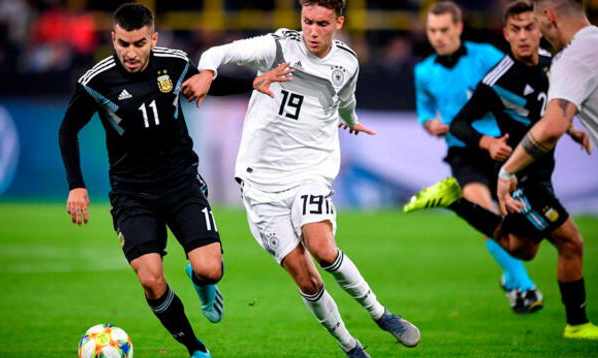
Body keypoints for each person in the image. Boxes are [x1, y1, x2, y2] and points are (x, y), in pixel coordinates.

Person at [181, 1, 420, 357]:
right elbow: (219, 51)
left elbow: (346, 100)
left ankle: (382, 315)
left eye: (322, 23)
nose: (312, 30)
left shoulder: (346, 63)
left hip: (310, 172)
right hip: (260, 182)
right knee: (306, 278)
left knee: (323, 248)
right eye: (307, 21)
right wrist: (207, 73)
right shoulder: (278, 47)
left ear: (338, 22)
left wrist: (350, 120)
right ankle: (352, 347)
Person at [58, 4, 289, 357]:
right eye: (123, 44)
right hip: (132, 193)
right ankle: (196, 349)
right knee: (151, 279)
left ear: (153, 39)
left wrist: (253, 83)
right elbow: (67, 130)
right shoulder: (96, 81)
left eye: (138, 43)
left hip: (180, 183)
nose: (130, 53)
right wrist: (76, 185)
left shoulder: (175, 63)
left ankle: (203, 285)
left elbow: (208, 82)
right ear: (113, 39)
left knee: (209, 269)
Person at [405, 0, 598, 340]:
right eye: (516, 29)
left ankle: (454, 202)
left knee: (523, 248)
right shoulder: (491, 77)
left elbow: (548, 105)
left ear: (541, 26)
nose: (524, 36)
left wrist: (570, 127)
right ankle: (567, 317)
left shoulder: (552, 63)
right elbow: (457, 121)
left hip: (531, 165)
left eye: (529, 28)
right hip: (507, 164)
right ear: (506, 33)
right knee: (572, 243)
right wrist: (483, 142)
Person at [413, 0, 543, 313]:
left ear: (458, 27)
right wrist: (430, 123)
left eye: (444, 29)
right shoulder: (423, 71)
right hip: (461, 152)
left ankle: (511, 279)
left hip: (500, 146)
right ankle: (526, 287)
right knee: (486, 215)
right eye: (432, 31)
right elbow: (424, 108)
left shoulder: (486, 55)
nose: (438, 37)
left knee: (512, 224)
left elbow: (518, 84)